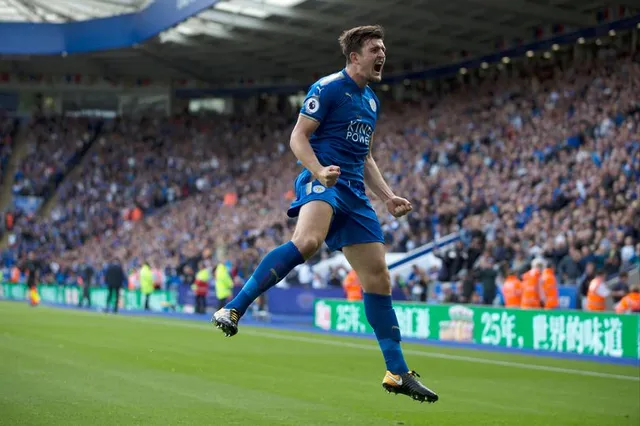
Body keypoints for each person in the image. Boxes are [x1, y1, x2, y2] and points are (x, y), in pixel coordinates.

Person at [212, 25, 438, 404]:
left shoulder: (371, 101)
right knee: (308, 241)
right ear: (354, 57)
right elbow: (297, 137)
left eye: (383, 48)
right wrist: (317, 171)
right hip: (323, 180)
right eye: (374, 49)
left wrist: (387, 196)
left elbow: (365, 156)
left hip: (355, 192)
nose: (382, 54)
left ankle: (397, 372)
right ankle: (234, 308)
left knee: (379, 279)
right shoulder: (329, 87)